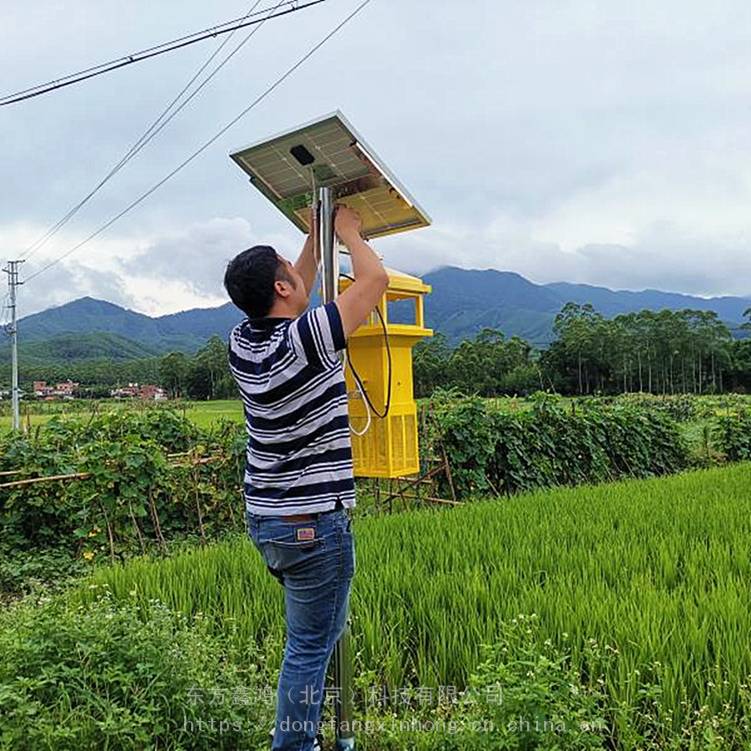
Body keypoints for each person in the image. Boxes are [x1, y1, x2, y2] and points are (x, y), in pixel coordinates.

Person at [224, 206, 388, 751]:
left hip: (268, 521)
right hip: (314, 528)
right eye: (287, 269)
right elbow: (375, 282)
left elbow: (299, 281)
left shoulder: (242, 344)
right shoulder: (306, 338)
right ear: (281, 285)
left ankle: (314, 738)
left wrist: (316, 232)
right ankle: (295, 746)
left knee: (311, 639)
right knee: (310, 648)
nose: (298, 271)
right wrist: (350, 234)